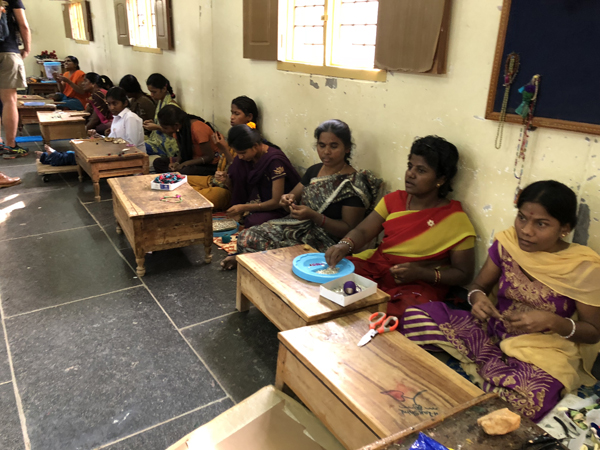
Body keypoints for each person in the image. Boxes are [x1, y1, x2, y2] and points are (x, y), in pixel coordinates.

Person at [401, 180, 600, 422]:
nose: (526, 230)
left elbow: (593, 332)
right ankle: (494, 376)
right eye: (522, 218)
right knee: (415, 317)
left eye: (541, 224)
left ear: (564, 228)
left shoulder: (582, 267)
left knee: (529, 403)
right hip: (493, 331)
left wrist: (553, 322)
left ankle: (489, 374)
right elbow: (478, 286)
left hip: (544, 350)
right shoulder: (508, 244)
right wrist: (477, 299)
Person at [325, 135, 476, 317]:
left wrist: (422, 273)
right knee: (331, 282)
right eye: (410, 166)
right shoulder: (394, 200)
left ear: (441, 179)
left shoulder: (454, 219)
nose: (410, 174)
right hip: (377, 269)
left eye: (421, 170)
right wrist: (345, 244)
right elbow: (363, 231)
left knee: (404, 315)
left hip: (418, 284)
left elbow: (464, 274)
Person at [222, 120, 382, 270]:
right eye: (321, 145)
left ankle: (250, 262)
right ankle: (248, 260)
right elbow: (291, 196)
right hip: (300, 227)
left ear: (347, 148)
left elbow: (349, 230)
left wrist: (315, 216)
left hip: (326, 241)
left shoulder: (352, 183)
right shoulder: (315, 170)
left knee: (286, 256)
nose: (326, 152)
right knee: (248, 236)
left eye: (334, 146)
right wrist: (287, 200)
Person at [218, 123, 300, 228]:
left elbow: (276, 202)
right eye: (237, 153)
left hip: (279, 208)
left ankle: (245, 214)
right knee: (237, 164)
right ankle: (242, 213)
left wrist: (244, 207)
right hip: (253, 203)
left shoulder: (274, 161)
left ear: (255, 146)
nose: (240, 156)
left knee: (253, 222)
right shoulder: (245, 159)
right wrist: (227, 181)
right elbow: (239, 187)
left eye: (243, 153)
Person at [187, 95, 258, 211]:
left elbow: (240, 172)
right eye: (232, 113)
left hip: (228, 190)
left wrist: (224, 149)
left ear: (249, 117)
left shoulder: (251, 141)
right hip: (215, 180)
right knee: (180, 180)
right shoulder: (234, 134)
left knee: (209, 195)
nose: (232, 117)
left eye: (236, 114)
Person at [0, 0, 30, 158]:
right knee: (9, 100)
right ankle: (10, 145)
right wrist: (27, 48)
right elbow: (23, 25)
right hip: (7, 51)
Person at [153, 104, 219, 175]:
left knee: (184, 171)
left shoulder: (198, 129)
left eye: (165, 128)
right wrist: (177, 163)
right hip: (191, 160)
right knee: (158, 162)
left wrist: (185, 164)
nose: (164, 130)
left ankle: (174, 175)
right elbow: (181, 152)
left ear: (176, 125)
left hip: (210, 164)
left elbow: (209, 157)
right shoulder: (178, 130)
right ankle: (174, 174)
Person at [143, 73, 179, 157]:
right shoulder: (161, 102)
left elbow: (175, 132)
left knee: (139, 148)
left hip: (168, 146)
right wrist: (153, 123)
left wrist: (157, 127)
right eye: (150, 92)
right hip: (157, 141)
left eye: (154, 92)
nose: (151, 95)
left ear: (164, 89)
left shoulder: (171, 107)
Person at [106, 87, 144, 151]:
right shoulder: (117, 117)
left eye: (115, 103)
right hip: (120, 151)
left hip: (133, 154)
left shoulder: (130, 118)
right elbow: (112, 139)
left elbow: (132, 145)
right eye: (109, 104)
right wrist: (99, 136)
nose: (111, 107)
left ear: (125, 103)